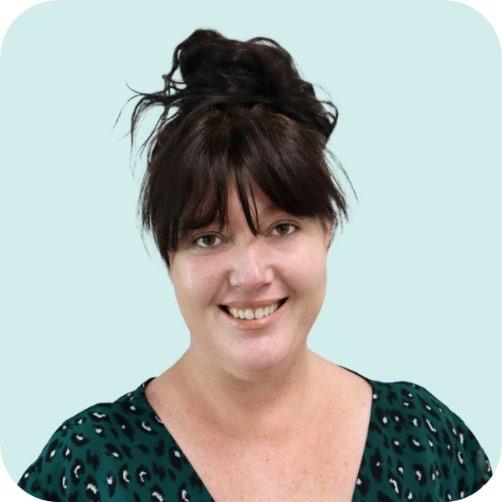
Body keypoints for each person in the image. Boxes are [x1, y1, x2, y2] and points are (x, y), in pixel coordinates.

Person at [17, 28, 493, 502]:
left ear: (326, 230)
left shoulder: (428, 439)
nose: (250, 275)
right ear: (168, 256)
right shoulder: (88, 465)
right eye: (208, 238)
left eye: (281, 228)